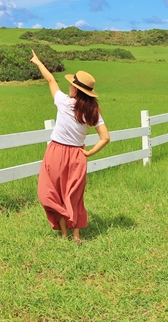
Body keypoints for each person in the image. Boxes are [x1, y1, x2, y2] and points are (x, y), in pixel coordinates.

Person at [30, 50, 109, 242]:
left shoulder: (63, 102)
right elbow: (105, 137)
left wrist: (38, 62)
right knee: (73, 195)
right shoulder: (93, 111)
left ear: (75, 89)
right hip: (77, 156)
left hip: (56, 152)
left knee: (51, 193)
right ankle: (76, 236)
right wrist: (89, 152)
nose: (69, 87)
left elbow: (50, 81)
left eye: (72, 84)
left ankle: (65, 233)